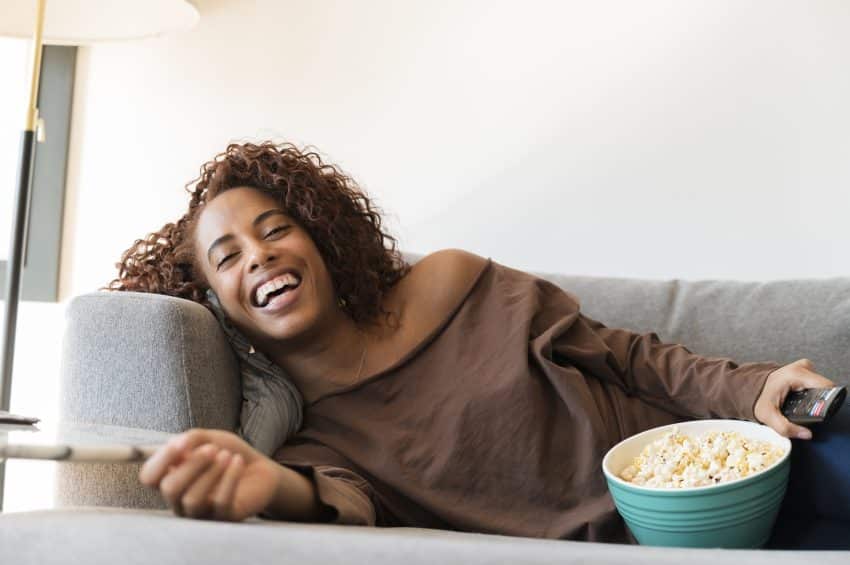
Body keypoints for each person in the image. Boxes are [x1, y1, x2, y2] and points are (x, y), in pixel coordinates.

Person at [109, 141, 846, 546]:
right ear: (221, 310)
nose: (260, 255)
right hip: (652, 544)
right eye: (228, 257)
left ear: (321, 239)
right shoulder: (322, 444)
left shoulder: (450, 282)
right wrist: (268, 485)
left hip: (740, 466)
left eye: (275, 230)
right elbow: (335, 502)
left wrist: (749, 386)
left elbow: (622, 355)